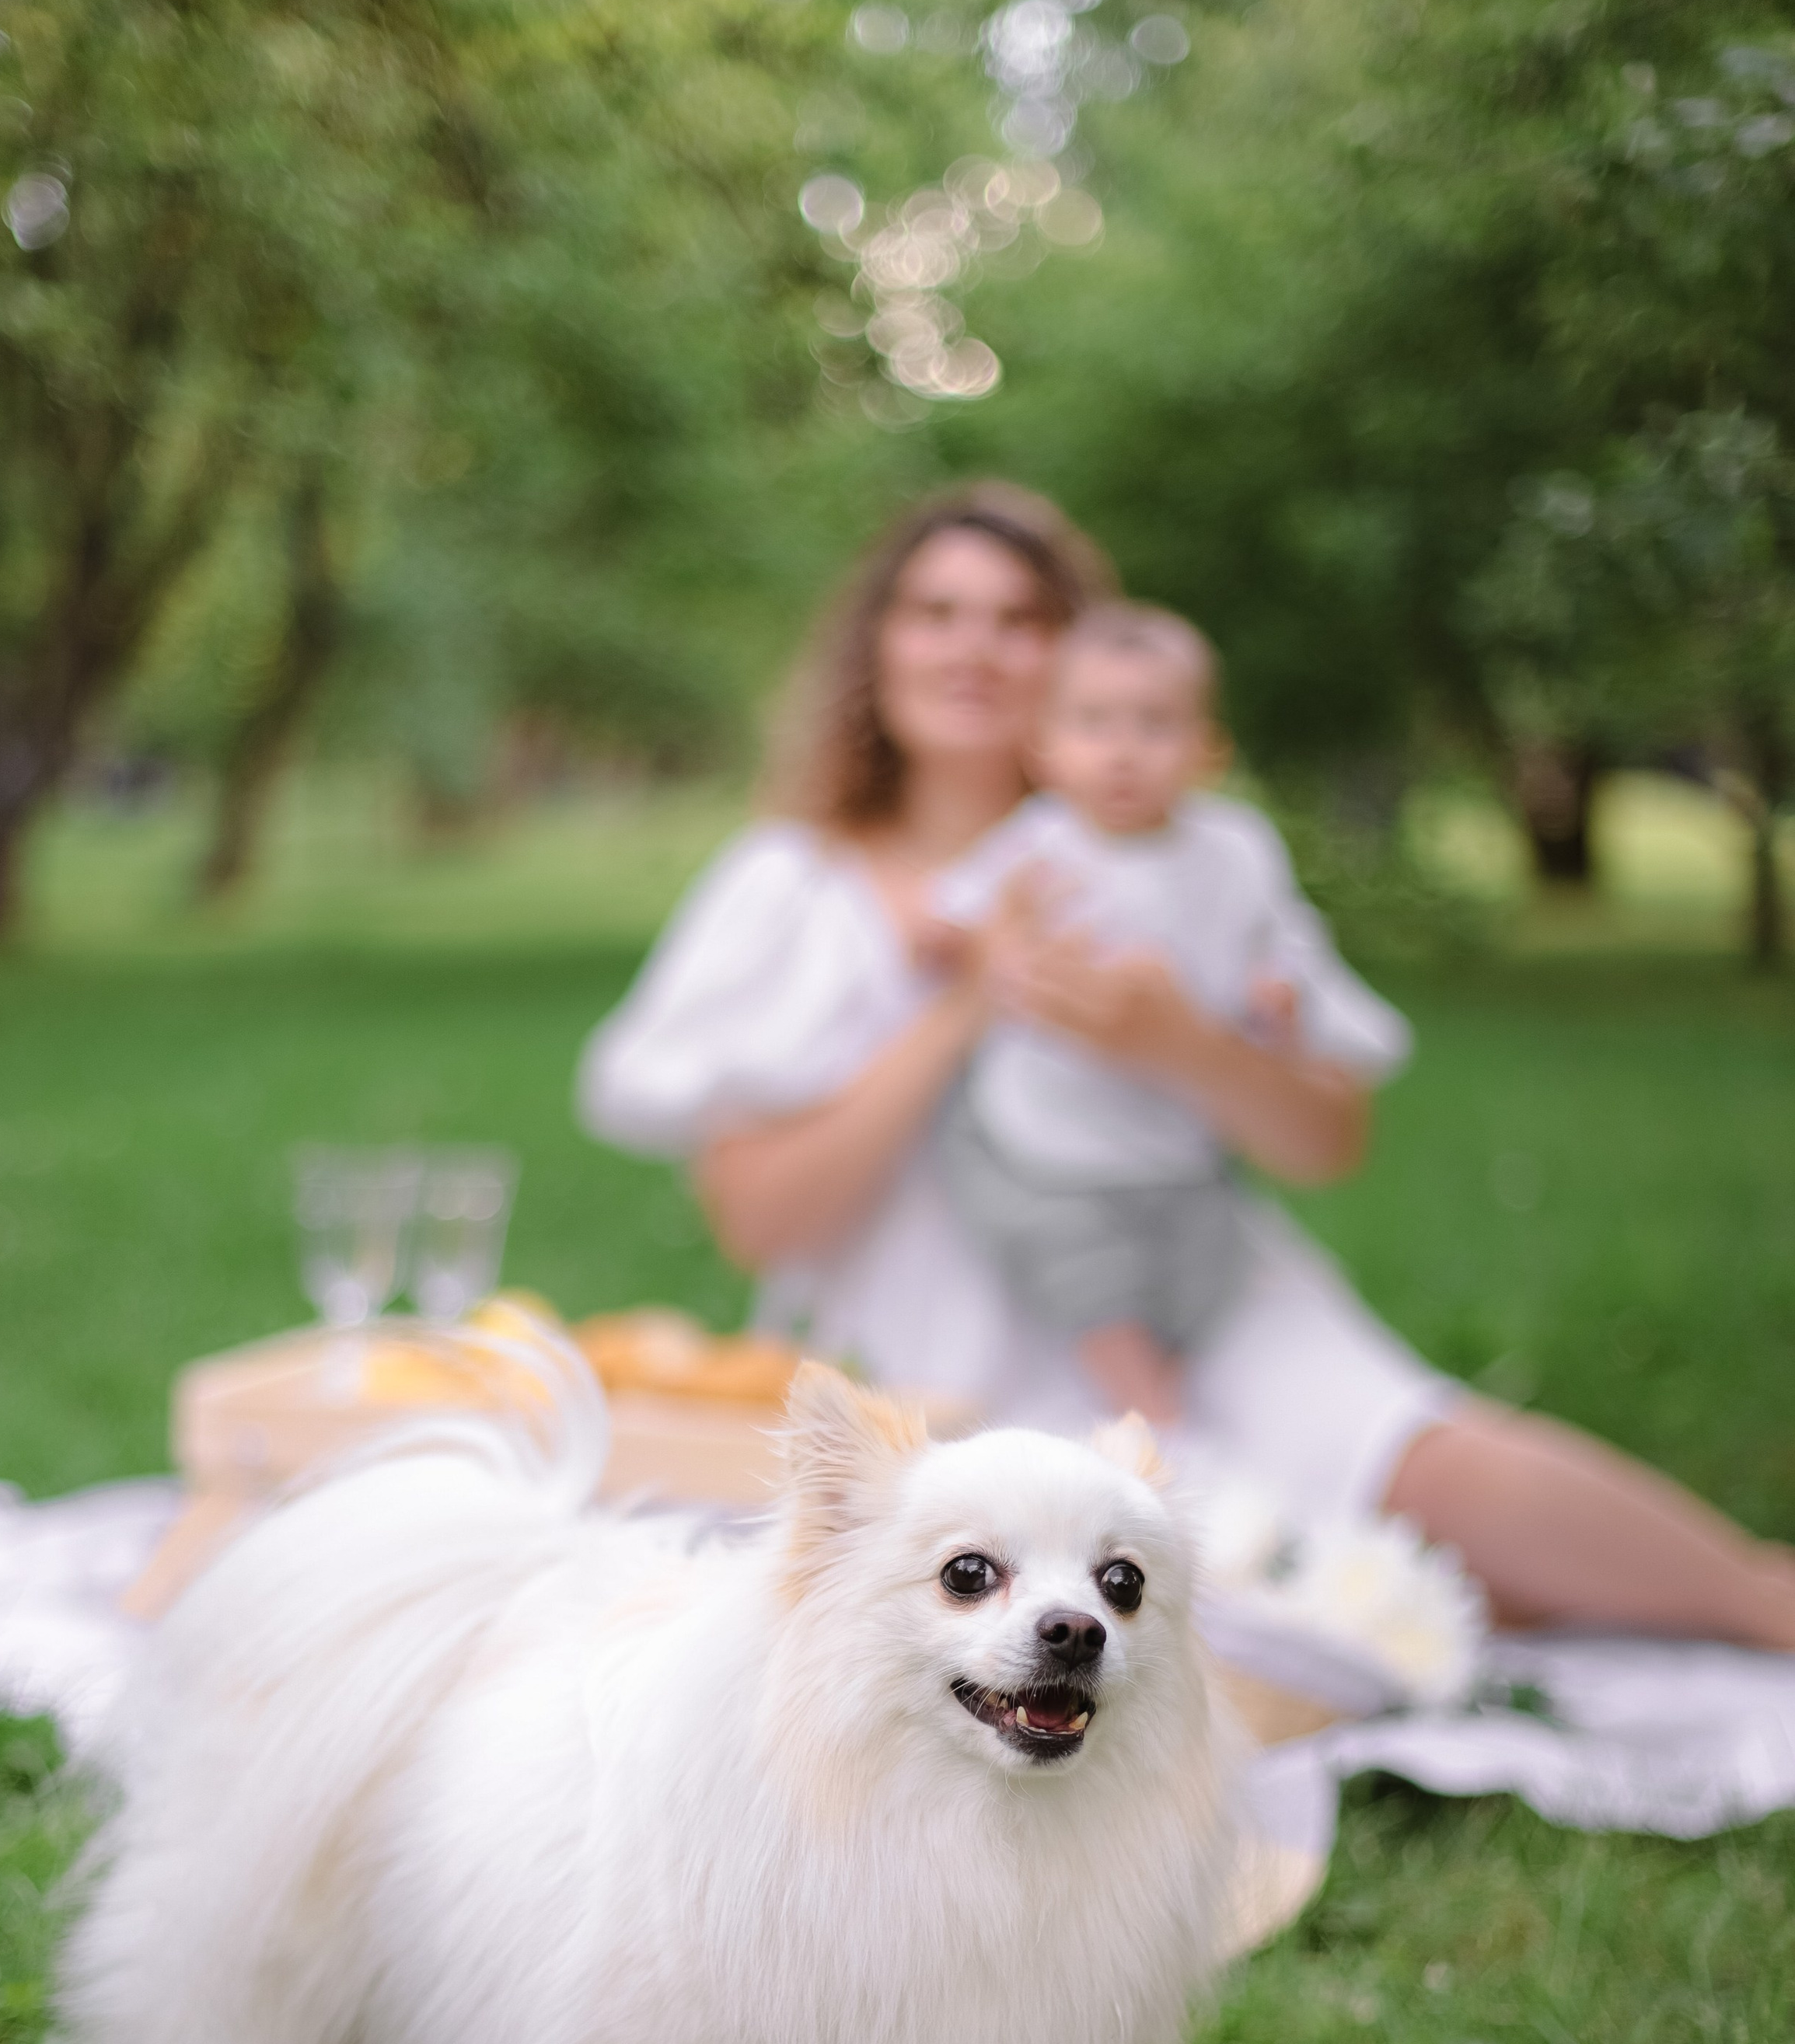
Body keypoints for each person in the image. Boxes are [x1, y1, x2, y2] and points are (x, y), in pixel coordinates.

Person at [578, 480, 1795, 1648]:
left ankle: (1758, 1600)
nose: (975, 650)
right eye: (936, 612)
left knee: (1427, 1459)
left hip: (1193, 1278)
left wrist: (1176, 1043)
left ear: (1080, 662)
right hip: (935, 1351)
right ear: (876, 647)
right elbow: (758, 1218)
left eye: (1020, 619)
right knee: (1130, 1601)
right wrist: (965, 1005)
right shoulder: (792, 886)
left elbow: (1329, 1141)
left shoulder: (1199, 866)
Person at [926, 597, 1405, 1426]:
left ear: (1206, 749)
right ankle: (1150, 1414)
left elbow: (1281, 944)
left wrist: (1279, 1000)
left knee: (1202, 1268)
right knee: (1082, 1269)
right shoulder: (1041, 845)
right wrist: (996, 949)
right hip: (1047, 1135)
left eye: (1153, 725)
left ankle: (1191, 1381)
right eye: (1093, 723)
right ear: (1044, 746)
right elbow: (954, 919)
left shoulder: (1233, 849)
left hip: (1175, 1142)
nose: (1121, 751)